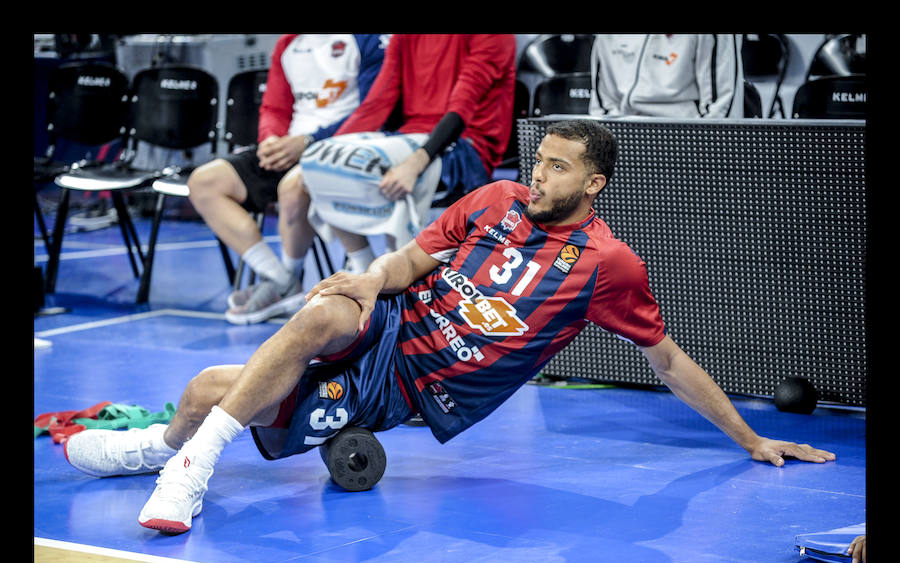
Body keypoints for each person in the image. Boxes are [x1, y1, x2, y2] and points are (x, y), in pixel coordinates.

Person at [63, 119, 835, 535]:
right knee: (328, 306)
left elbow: (668, 362)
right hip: (387, 324)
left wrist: (750, 439)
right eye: (539, 161)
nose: (539, 175)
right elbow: (409, 259)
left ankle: (160, 447)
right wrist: (370, 278)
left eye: (559, 168)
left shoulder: (608, 266)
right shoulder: (495, 200)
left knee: (205, 389)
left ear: (594, 183)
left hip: (405, 387)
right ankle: (182, 471)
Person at [279, 35, 517, 286]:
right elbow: (377, 101)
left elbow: (462, 106)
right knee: (318, 170)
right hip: (409, 136)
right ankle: (366, 270)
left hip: (466, 146)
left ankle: (394, 280)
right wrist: (328, 151)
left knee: (364, 175)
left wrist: (415, 163)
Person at [186, 34, 389, 325]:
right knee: (204, 182)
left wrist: (309, 141)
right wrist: (270, 141)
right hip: (290, 145)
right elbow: (274, 107)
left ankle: (304, 276)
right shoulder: (287, 43)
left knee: (293, 187)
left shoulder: (367, 39)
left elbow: (374, 108)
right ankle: (281, 280)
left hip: (344, 145)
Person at [588, 34, 743, 119]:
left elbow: (721, 108)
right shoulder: (606, 38)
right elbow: (603, 104)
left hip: (686, 135)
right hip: (625, 135)